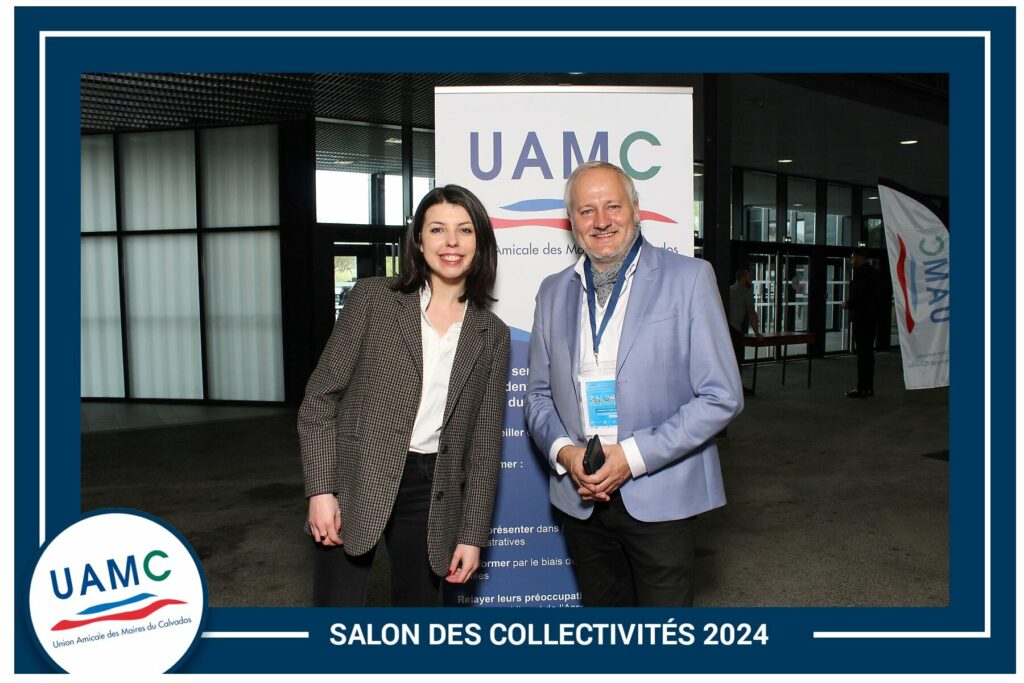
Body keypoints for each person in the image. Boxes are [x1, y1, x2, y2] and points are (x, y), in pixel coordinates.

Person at [524, 161, 743, 607]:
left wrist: (632, 457)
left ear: (636, 210)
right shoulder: (552, 291)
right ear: (572, 223)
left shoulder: (690, 278)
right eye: (586, 210)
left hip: (661, 495)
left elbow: (721, 396)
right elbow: (538, 396)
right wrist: (565, 453)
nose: (601, 221)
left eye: (613, 206)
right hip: (581, 495)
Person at [298, 184, 510, 606]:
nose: (451, 242)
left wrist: (471, 535)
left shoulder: (492, 334)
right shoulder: (373, 299)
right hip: (356, 475)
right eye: (437, 229)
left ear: (480, 242)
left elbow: (484, 446)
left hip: (432, 489)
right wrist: (321, 490)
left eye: (465, 230)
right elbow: (320, 398)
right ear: (418, 240)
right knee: (336, 616)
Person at [844, 247, 879, 398]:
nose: (852, 261)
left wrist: (848, 304)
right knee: (868, 354)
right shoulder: (875, 273)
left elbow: (859, 297)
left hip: (862, 318)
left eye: (853, 258)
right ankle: (868, 387)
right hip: (871, 318)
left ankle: (862, 388)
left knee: (863, 354)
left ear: (860, 258)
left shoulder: (861, 274)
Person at [728, 268, 762, 374]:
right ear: (743, 278)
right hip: (735, 330)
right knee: (736, 360)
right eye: (749, 277)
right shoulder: (745, 292)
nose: (751, 279)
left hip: (725, 329)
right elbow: (751, 313)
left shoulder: (728, 290)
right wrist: (757, 333)